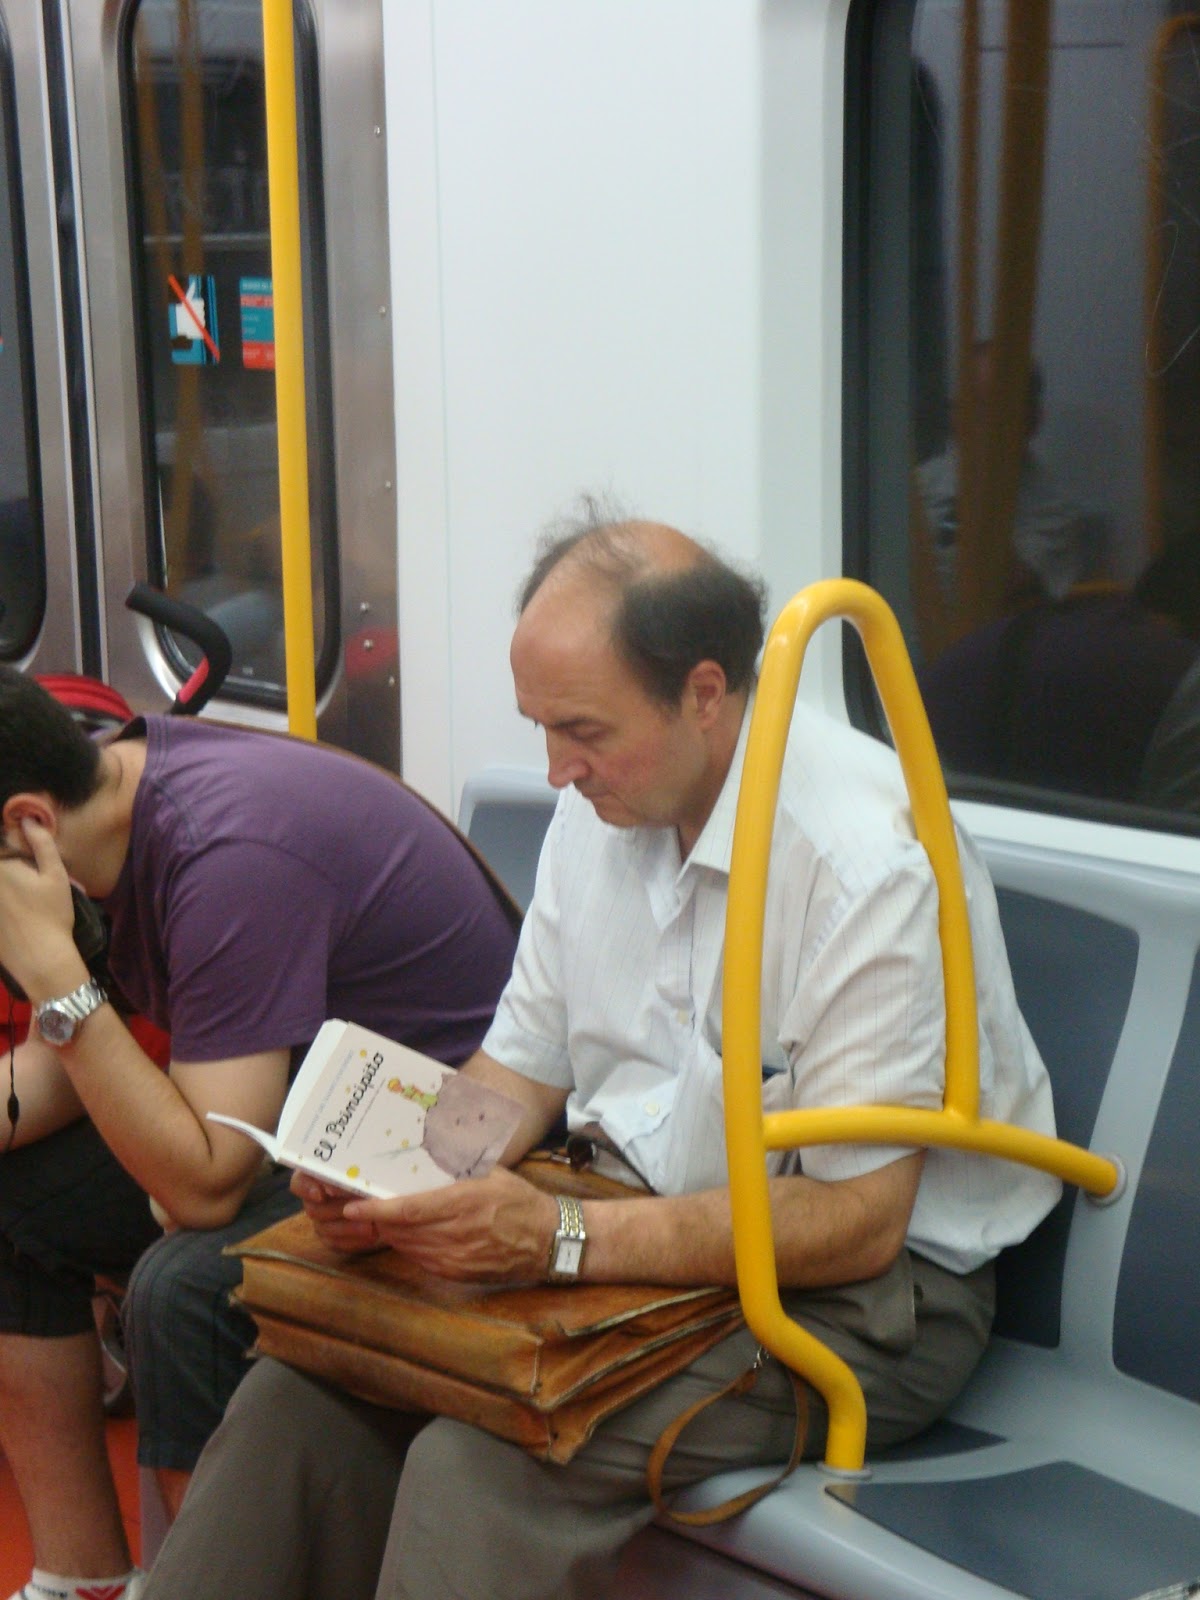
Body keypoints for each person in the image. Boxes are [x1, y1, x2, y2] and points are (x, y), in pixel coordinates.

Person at [142, 511, 1061, 1600]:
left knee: (481, 1456)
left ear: (706, 693)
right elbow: (520, 1072)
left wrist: (560, 1238)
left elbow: (855, 1222)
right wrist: (404, 1173)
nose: (556, 768)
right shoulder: (606, 804)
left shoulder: (863, 859)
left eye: (581, 729)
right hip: (638, 1233)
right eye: (541, 728)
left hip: (860, 1300)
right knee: (298, 1391)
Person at [0, 687, 520, 1600]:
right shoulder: (113, 809)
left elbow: (204, 1185)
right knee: (14, 1203)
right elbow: (64, 1066)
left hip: (448, 1132)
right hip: (310, 1115)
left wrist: (49, 967)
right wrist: (61, 981)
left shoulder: (222, 856)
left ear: (27, 824)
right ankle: (82, 1581)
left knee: (185, 1290)